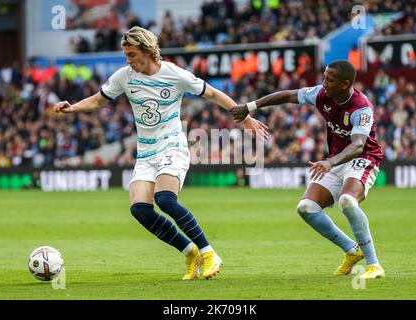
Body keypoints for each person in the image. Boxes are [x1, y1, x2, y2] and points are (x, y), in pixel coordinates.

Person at [54, 26, 268, 280]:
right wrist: (73, 108)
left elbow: (211, 93)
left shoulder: (174, 74)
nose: (128, 60)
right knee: (140, 210)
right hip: (146, 152)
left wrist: (242, 115)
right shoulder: (124, 76)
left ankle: (209, 252)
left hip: (172, 146)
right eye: (126, 54)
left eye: (131, 54)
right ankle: (190, 252)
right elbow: (98, 100)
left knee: (165, 199)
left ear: (147, 51)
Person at [231, 60, 385, 280]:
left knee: (347, 201)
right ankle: (352, 250)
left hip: (363, 158)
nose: (324, 82)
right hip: (337, 160)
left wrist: (331, 163)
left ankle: (374, 265)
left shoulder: (361, 107)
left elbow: (358, 144)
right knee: (306, 208)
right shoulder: (321, 94)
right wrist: (251, 107)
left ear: (345, 84)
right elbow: (286, 96)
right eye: (324, 76)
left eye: (329, 79)